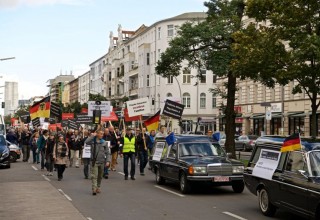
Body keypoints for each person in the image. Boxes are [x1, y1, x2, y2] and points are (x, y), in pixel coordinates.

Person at [85, 129, 110, 195]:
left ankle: (98, 187)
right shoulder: (93, 141)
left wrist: (107, 161)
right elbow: (86, 142)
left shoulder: (104, 142)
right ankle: (94, 188)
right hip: (94, 161)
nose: (102, 135)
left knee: (100, 176)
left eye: (102, 134)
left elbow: (107, 153)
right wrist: (93, 136)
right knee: (94, 176)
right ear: (97, 134)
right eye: (101, 133)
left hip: (102, 161)